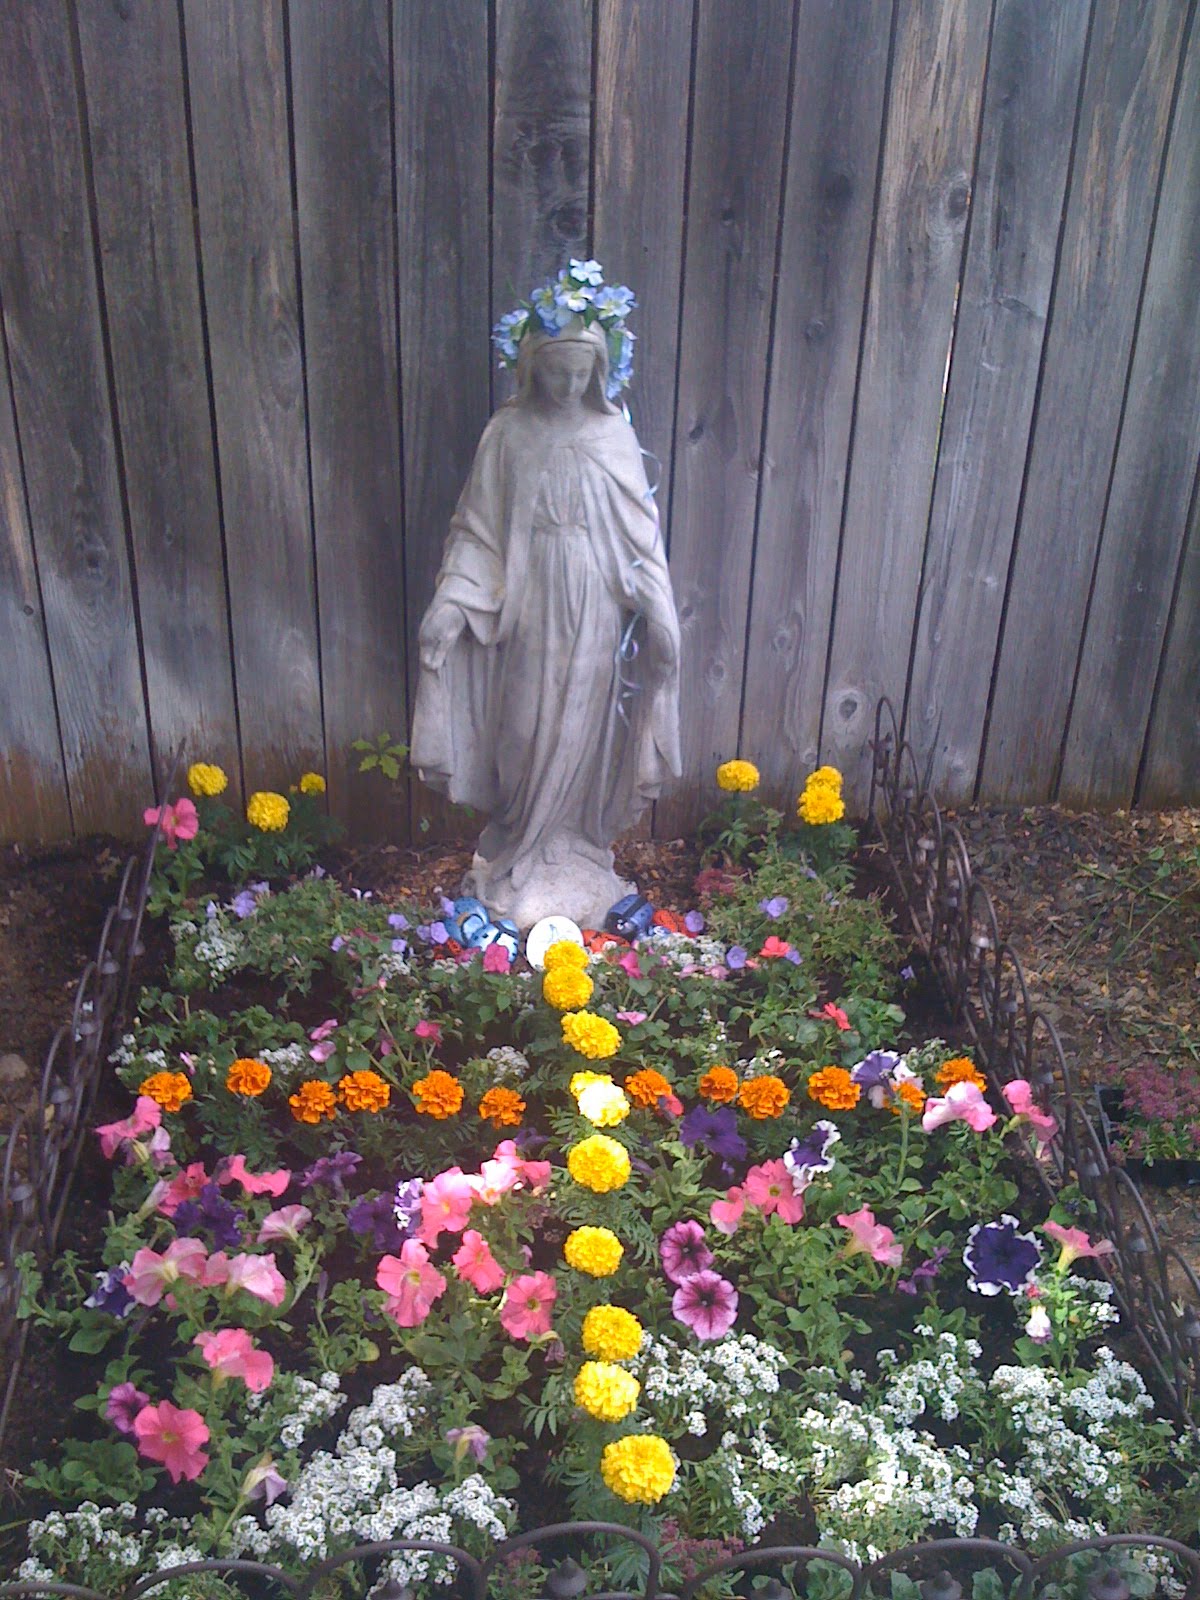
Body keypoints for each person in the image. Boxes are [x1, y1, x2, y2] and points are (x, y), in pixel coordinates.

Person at [410, 317, 681, 930]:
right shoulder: (508, 434)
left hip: (596, 601)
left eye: (581, 374)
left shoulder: (613, 436)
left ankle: (574, 847)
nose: (567, 384)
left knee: (584, 727)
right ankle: (516, 849)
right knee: (526, 725)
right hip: (528, 602)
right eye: (556, 371)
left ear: (600, 375)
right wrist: (453, 602)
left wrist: (658, 609)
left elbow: (641, 536)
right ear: (531, 369)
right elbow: (477, 529)